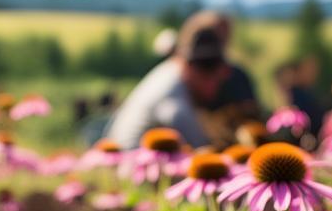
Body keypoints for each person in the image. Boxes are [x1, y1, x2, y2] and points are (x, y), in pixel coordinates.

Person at [107, 10, 259, 149]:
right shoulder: (175, 102)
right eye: (215, 81)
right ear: (189, 68)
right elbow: (200, 149)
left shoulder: (169, 70)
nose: (216, 89)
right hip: (129, 168)